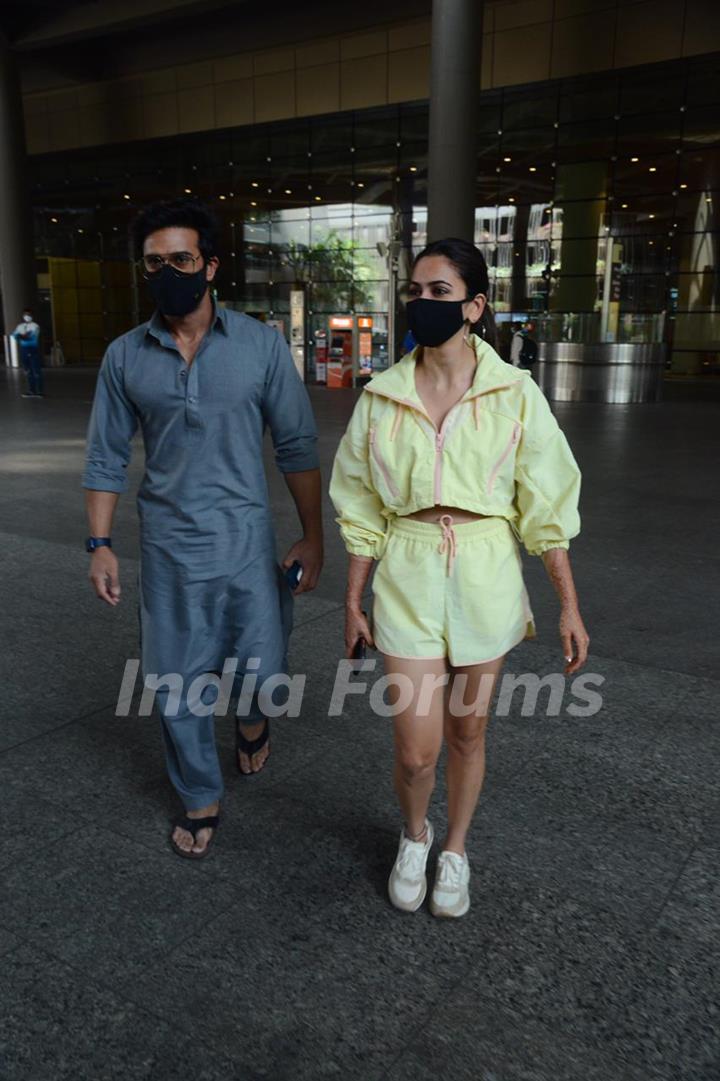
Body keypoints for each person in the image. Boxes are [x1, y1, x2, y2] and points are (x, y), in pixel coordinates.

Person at [329, 237, 587, 918]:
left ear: (474, 306)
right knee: (416, 749)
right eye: (416, 291)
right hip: (408, 565)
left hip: (485, 565)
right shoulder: (381, 395)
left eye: (439, 292)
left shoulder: (515, 393)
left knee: (469, 733)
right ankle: (415, 834)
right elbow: (359, 503)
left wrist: (568, 606)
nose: (422, 302)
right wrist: (352, 600)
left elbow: (547, 504)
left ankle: (457, 849)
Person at [82, 198, 323, 859]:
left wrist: (313, 535)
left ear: (211, 266)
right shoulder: (125, 356)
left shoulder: (260, 345)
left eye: (181, 259)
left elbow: (296, 445)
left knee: (262, 668)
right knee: (173, 680)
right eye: (154, 262)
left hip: (246, 542)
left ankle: (251, 717)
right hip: (166, 546)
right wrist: (100, 544)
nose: (167, 272)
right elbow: (104, 454)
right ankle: (199, 794)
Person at [12, 309, 44, 398]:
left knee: (36, 371)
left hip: (33, 350)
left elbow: (30, 337)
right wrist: (23, 336)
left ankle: (39, 391)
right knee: (28, 371)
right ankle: (31, 390)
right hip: (24, 350)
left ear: (32, 316)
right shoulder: (20, 326)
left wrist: (21, 336)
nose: (27, 316)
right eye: (25, 315)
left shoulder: (35, 326)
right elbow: (14, 335)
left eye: (29, 314)